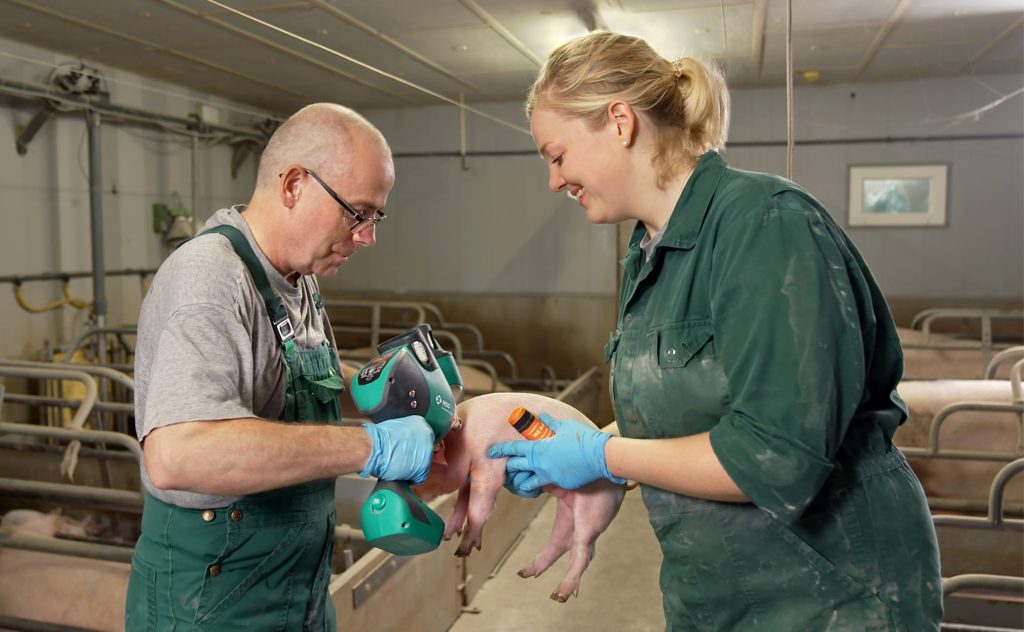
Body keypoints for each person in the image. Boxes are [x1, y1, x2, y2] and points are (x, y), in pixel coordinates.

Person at [488, 32, 943, 631]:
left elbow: (777, 456)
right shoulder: (650, 250)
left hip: (832, 594)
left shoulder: (765, 224)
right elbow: (699, 400)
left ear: (620, 122)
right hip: (719, 592)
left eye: (556, 155)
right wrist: (604, 470)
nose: (554, 181)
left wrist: (608, 455)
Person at [126, 103, 435, 631]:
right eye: (357, 212)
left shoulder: (297, 278)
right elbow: (178, 454)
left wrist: (388, 393)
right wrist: (371, 446)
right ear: (293, 184)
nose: (367, 236)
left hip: (297, 587)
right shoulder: (210, 279)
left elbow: (300, 384)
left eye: (375, 216)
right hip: (211, 599)